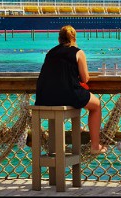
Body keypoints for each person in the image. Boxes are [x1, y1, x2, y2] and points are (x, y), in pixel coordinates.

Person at [36, 25, 107, 154]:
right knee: (96, 105)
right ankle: (95, 146)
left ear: (59, 39)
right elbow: (85, 78)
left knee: (71, 100)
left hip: (45, 97)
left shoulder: (50, 53)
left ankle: (56, 149)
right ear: (74, 38)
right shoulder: (78, 52)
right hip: (68, 94)